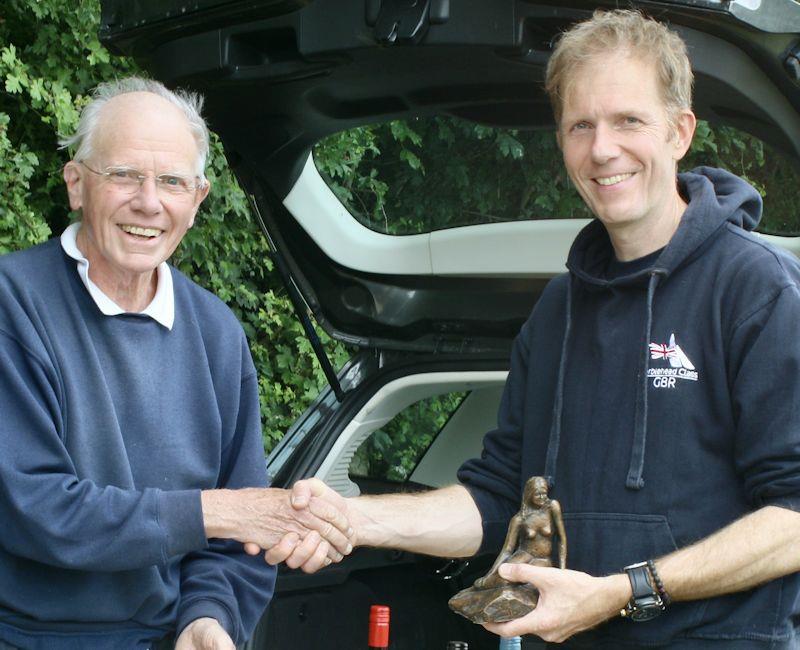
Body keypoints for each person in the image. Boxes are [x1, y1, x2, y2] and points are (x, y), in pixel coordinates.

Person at [276, 10, 800, 648]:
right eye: (581, 125)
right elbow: (497, 499)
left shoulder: (756, 290)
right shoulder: (558, 309)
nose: (602, 149)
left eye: (628, 120)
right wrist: (352, 519)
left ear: (680, 132)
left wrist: (625, 590)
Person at [0, 77, 352, 650]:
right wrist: (219, 512)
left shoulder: (216, 332)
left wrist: (208, 616)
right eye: (123, 175)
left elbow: (237, 536)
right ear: (75, 184)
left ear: (197, 199)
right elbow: (34, 509)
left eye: (171, 181)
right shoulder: (14, 304)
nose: (148, 201)